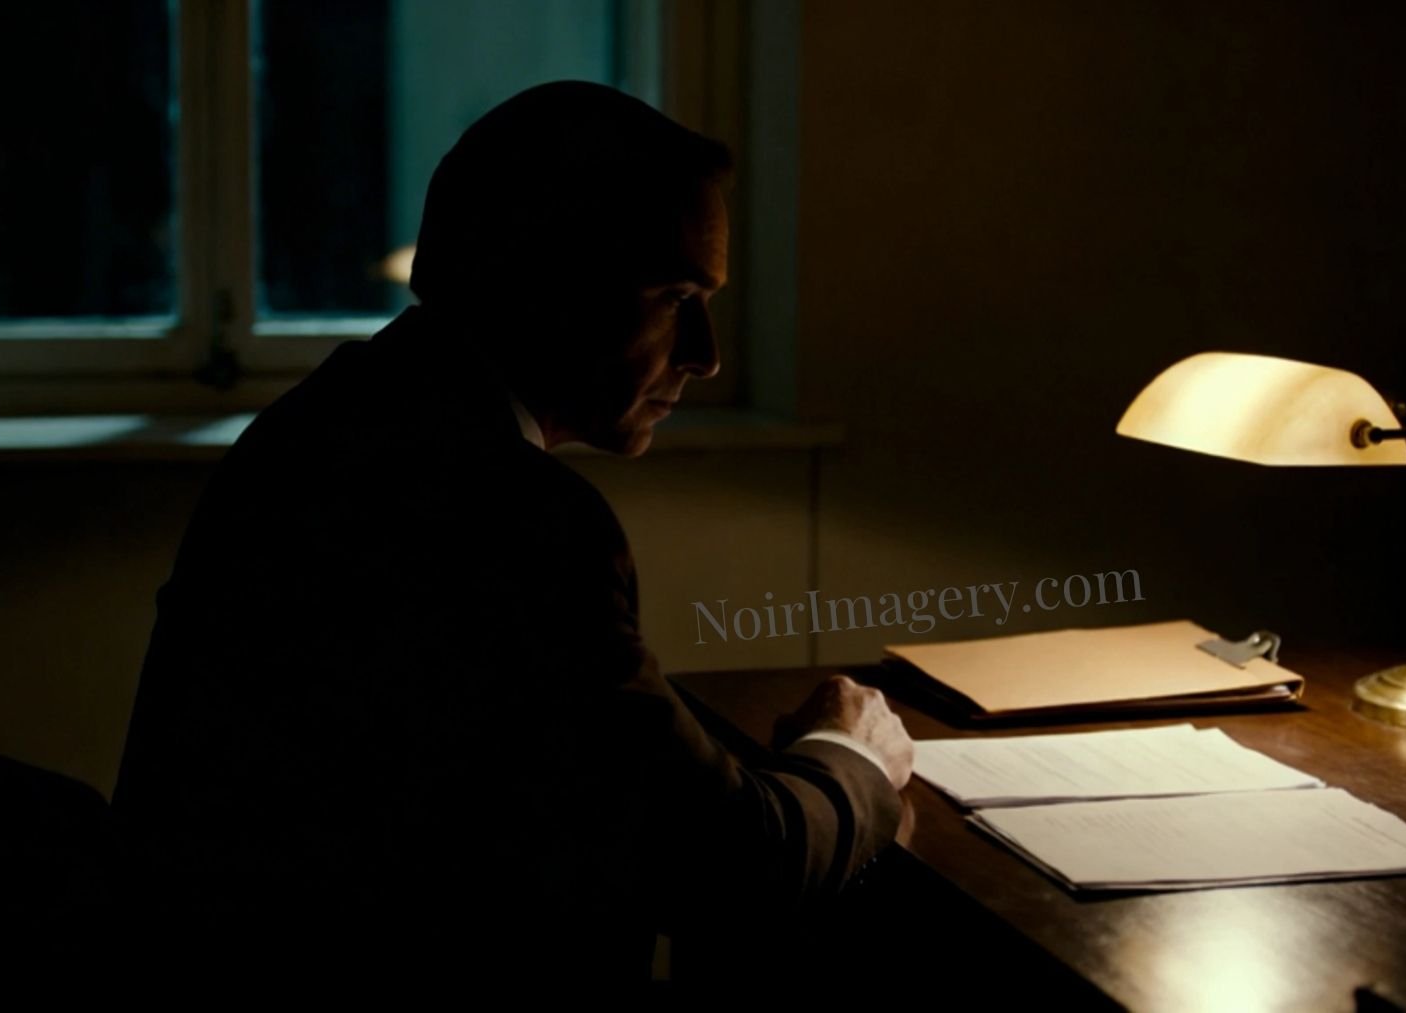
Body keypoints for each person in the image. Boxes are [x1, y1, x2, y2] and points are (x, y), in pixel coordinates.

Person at [109, 80, 913, 991]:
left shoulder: (328, 417)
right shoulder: (513, 518)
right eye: (673, 294)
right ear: (541, 280)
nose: (705, 352)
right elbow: (727, 869)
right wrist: (854, 757)